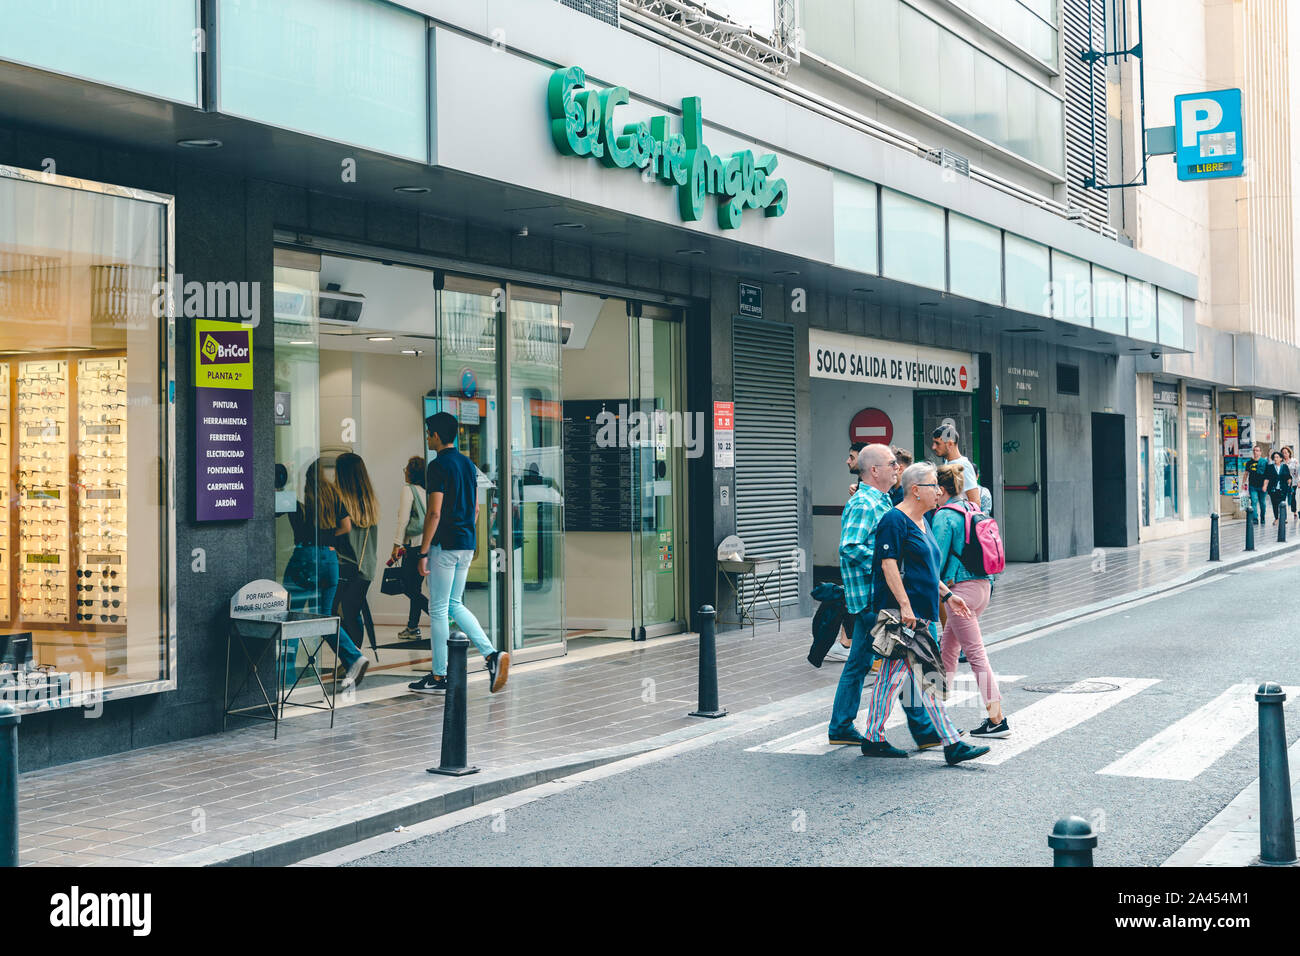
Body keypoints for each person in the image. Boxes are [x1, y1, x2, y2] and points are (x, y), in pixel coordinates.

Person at [860, 461, 990, 766]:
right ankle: (951, 743)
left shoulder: (923, 521)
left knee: (894, 679)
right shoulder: (894, 520)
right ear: (916, 490)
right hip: (904, 616)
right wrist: (905, 607)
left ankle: (874, 737)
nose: (939, 491)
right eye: (934, 485)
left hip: (920, 613)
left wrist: (948, 594)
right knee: (927, 674)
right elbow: (888, 564)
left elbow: (927, 567)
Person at [827, 444, 941, 748]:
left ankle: (842, 725)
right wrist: (888, 566)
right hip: (871, 598)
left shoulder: (878, 499)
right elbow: (850, 547)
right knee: (907, 659)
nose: (897, 468)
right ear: (875, 470)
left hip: (873, 597)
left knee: (868, 663)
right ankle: (924, 729)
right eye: (892, 463)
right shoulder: (865, 502)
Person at [410, 412, 510, 696]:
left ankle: (440, 676)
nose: (428, 438)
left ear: (438, 436)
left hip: (445, 545)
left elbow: (435, 512)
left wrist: (423, 550)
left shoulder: (438, 466)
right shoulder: (468, 464)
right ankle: (491, 655)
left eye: (430, 433)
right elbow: (477, 509)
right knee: (454, 603)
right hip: (467, 542)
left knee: (439, 608)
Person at [931, 462, 1007, 738]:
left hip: (960, 593)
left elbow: (935, 560)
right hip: (983, 587)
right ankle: (935, 709)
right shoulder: (973, 509)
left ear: (940, 489)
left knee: (975, 655)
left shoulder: (944, 516)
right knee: (948, 649)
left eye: (932, 489)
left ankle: (997, 719)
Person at [284, 460, 369, 687]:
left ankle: (286, 672)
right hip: (330, 559)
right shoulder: (332, 493)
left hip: (305, 556)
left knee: (290, 613)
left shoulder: (302, 497)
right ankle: (354, 657)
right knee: (324, 617)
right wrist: (329, 538)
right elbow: (346, 526)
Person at [334, 452, 381, 661]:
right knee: (352, 613)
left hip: (345, 565)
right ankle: (355, 657)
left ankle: (353, 658)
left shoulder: (339, 500)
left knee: (335, 613)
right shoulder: (369, 501)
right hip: (366, 567)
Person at [825, 442, 869, 664]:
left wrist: (881, 562)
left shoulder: (865, 498)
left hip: (863, 576)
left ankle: (847, 643)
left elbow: (850, 545)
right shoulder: (863, 492)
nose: (847, 461)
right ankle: (848, 643)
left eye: (852, 457)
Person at [391, 455, 429, 641]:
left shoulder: (409, 490)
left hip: (413, 546)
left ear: (411, 473)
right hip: (427, 545)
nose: (404, 471)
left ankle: (441, 617)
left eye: (406, 469)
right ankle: (412, 627)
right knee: (416, 587)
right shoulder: (426, 491)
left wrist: (396, 545)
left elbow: (403, 520)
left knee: (407, 586)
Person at [930, 422, 981, 508]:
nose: (933, 447)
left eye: (937, 443)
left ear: (950, 444)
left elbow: (975, 502)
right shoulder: (948, 462)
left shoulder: (964, 466)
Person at [1263, 451, 1292, 526]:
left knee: (1282, 503)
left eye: (1277, 457)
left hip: (1283, 488)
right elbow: (1267, 478)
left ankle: (1283, 518)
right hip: (1273, 489)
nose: (1275, 459)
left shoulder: (1285, 467)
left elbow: (1288, 476)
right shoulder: (1270, 467)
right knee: (1275, 504)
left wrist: (1289, 482)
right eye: (1274, 457)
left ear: (1281, 459)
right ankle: (1276, 518)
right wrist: (1265, 486)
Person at [1245, 445, 1267, 525]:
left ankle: (1263, 517)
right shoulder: (1249, 462)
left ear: (1260, 452)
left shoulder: (1264, 462)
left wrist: (1265, 485)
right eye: (1254, 450)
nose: (1255, 452)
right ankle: (1255, 518)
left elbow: (1267, 475)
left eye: (1257, 450)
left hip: (1262, 486)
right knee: (1254, 502)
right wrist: (1243, 483)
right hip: (1252, 486)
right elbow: (1246, 473)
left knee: (1262, 502)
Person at [1284, 447, 1298, 519]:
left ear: (1289, 453)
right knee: (1284, 498)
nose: (1284, 454)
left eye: (1286, 452)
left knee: (1292, 496)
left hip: (1293, 482)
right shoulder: (1281, 462)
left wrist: (1298, 481)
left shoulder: (1294, 461)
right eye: (1283, 453)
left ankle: (1294, 510)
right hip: (1284, 482)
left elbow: (1298, 471)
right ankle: (1284, 514)